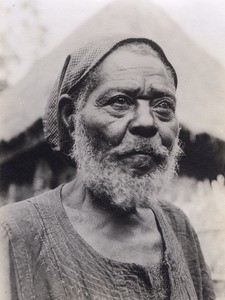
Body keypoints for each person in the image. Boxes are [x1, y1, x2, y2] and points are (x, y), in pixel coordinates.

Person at [0, 35, 215, 299]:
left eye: (163, 106)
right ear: (71, 117)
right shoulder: (16, 233)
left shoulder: (178, 227)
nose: (147, 123)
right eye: (120, 102)